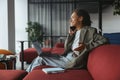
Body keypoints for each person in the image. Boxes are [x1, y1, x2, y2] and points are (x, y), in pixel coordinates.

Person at [26, 8, 108, 72]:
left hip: (73, 60)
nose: (70, 20)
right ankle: (26, 74)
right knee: (42, 56)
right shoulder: (75, 31)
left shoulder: (90, 31)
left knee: (41, 59)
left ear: (80, 18)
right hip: (66, 56)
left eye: (72, 17)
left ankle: (25, 75)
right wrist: (70, 35)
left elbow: (104, 40)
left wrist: (86, 46)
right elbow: (66, 48)